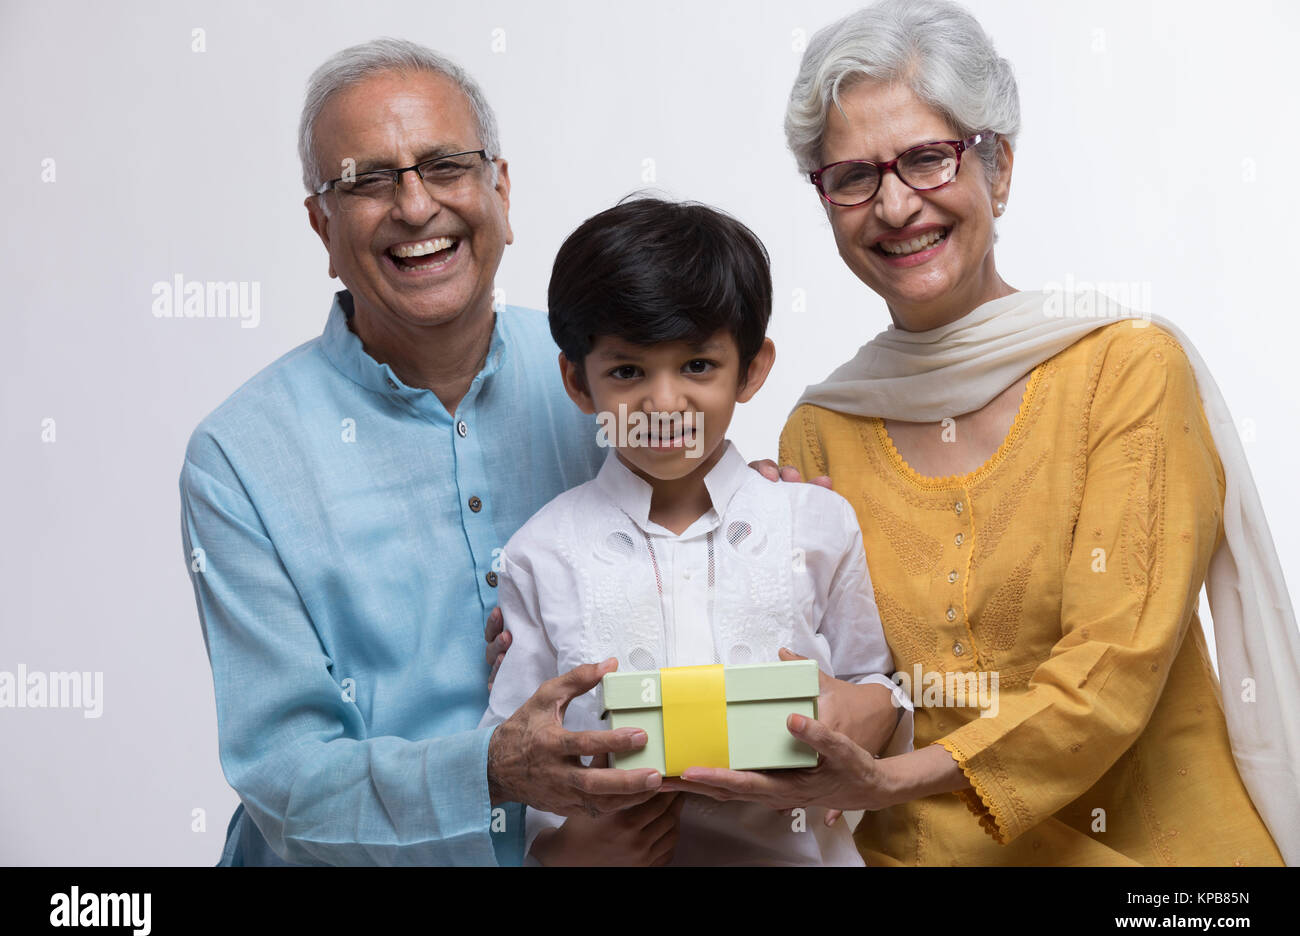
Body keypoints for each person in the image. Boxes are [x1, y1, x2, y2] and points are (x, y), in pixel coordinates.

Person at [671, 0, 1298, 866]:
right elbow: (837, 690)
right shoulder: (822, 431)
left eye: (927, 159)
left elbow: (1111, 673)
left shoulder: (1128, 371)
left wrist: (891, 780)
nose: (893, 205)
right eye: (852, 177)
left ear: (997, 169)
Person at [179, 38, 675, 866]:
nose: (415, 207)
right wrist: (491, 771)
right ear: (321, 225)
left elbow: (706, 581)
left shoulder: (606, 385)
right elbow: (287, 780)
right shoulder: (239, 458)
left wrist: (756, 503)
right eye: (367, 180)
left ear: (501, 191)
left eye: (445, 165)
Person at [478, 196, 913, 865]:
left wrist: (873, 709)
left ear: (753, 367)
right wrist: (564, 852)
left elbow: (872, 680)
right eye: (627, 371)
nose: (664, 402)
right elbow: (513, 749)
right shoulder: (543, 552)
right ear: (577, 380)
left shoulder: (816, 523)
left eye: (697, 366)